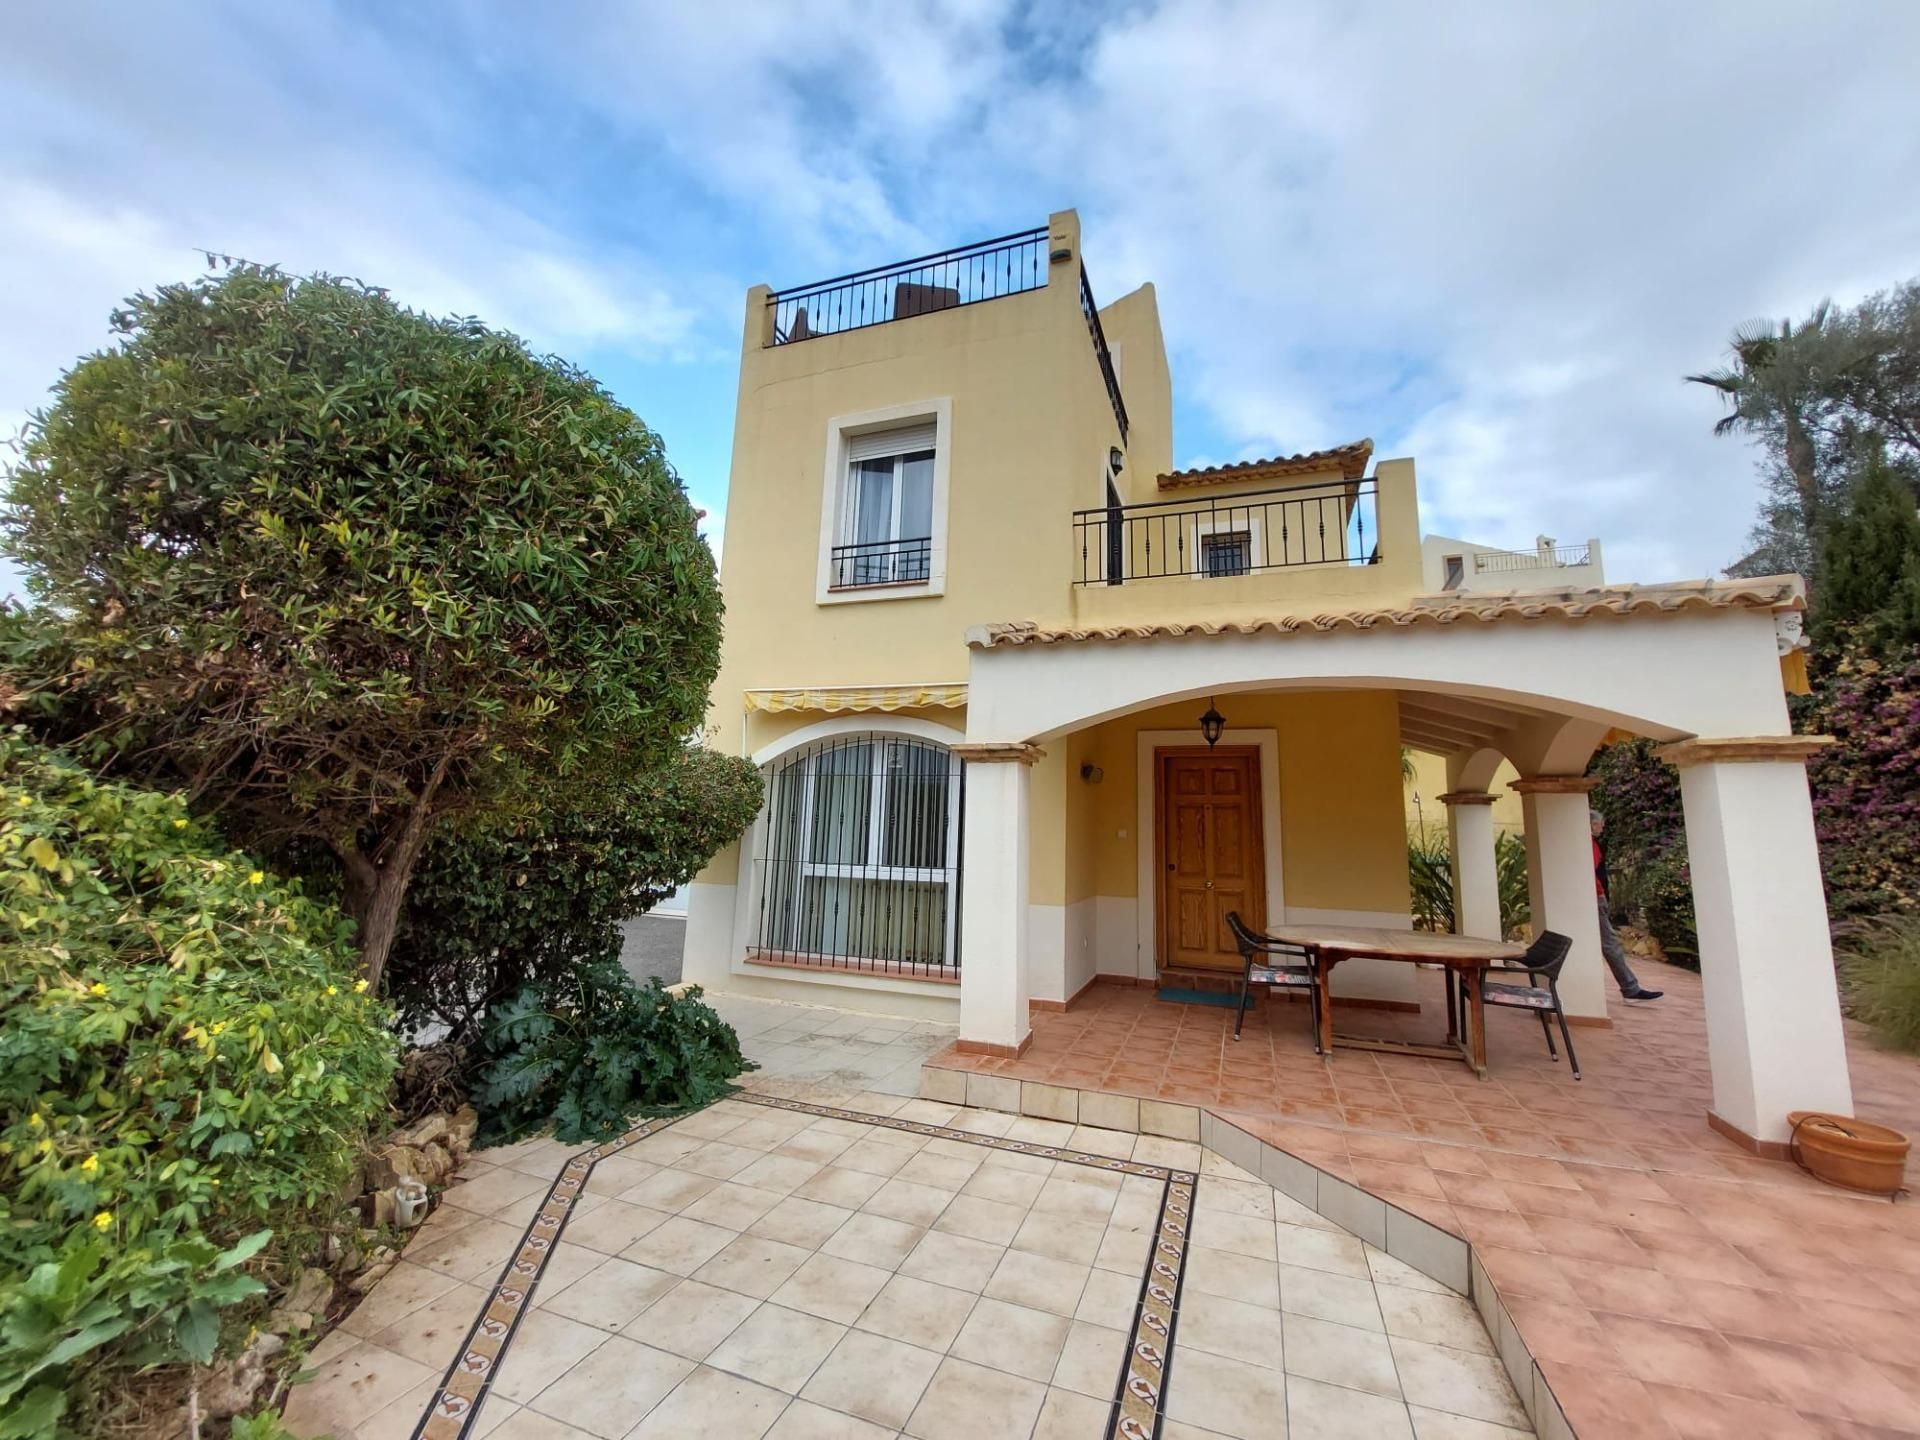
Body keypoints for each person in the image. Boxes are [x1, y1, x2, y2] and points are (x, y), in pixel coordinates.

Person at [1592, 811, 1661, 1001]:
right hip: (1594, 898)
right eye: (1600, 824)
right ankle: (1630, 988)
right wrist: (1600, 895)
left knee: (1608, 943)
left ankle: (1630, 987)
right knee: (1610, 944)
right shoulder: (1588, 844)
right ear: (1591, 825)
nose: (1602, 828)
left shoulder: (1589, 843)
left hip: (1595, 897)